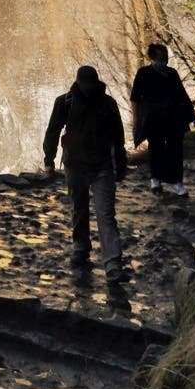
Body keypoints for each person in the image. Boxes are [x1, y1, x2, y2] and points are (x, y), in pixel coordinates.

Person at [42, 65, 128, 268]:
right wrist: (49, 160)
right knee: (79, 210)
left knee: (106, 214)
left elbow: (118, 137)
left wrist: (121, 165)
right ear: (78, 83)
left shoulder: (108, 104)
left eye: (92, 84)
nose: (89, 88)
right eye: (85, 85)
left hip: (102, 167)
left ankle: (112, 262)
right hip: (74, 166)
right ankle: (81, 249)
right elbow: (53, 131)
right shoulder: (65, 102)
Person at [130, 43, 195, 196]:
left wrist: (192, 114)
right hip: (153, 117)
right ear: (152, 58)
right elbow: (135, 98)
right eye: (160, 58)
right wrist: (136, 119)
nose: (164, 61)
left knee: (176, 149)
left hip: (174, 117)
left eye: (165, 57)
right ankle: (155, 179)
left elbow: (182, 95)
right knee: (156, 148)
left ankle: (176, 181)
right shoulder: (143, 73)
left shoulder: (172, 73)